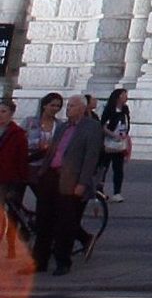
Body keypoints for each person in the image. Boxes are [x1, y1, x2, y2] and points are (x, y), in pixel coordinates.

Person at [31, 94, 101, 276]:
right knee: (43, 220)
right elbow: (52, 151)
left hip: (70, 179)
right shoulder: (63, 127)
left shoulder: (91, 128)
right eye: (68, 106)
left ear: (82, 108)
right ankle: (39, 261)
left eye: (72, 106)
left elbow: (90, 158)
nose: (67, 109)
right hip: (51, 176)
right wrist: (42, 171)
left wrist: (82, 183)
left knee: (65, 223)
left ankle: (63, 261)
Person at [0, 99, 29, 254]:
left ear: (11, 113)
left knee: (9, 213)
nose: (0, 115)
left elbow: (21, 159)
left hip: (7, 178)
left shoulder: (17, 134)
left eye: (3, 111)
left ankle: (11, 244)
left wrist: (20, 179)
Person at [99, 88, 133, 201]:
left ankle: (117, 192)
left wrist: (125, 136)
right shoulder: (109, 109)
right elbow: (103, 126)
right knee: (103, 167)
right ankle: (99, 190)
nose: (126, 97)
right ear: (118, 97)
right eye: (124, 95)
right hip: (108, 143)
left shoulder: (125, 109)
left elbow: (126, 123)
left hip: (120, 143)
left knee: (118, 169)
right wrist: (113, 135)